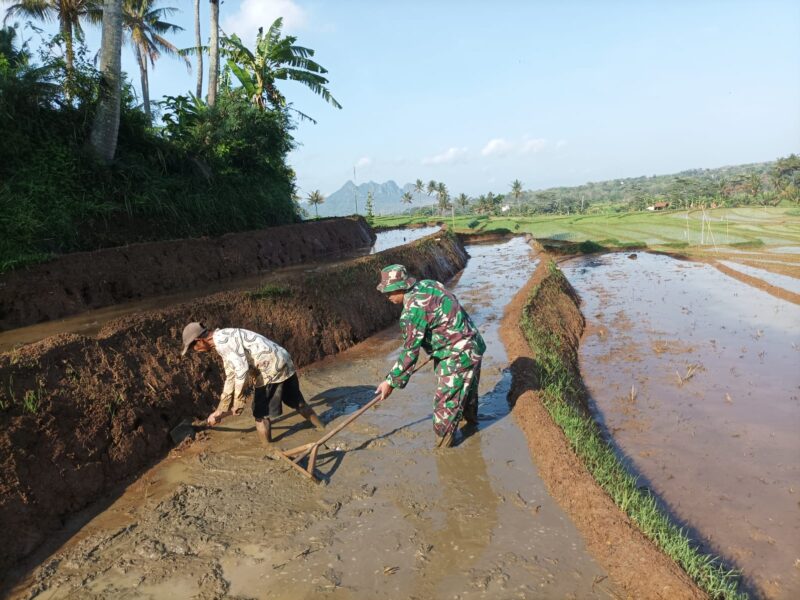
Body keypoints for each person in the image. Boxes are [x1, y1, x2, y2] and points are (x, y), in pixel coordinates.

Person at [374, 264, 485, 448]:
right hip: (473, 345)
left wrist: (390, 382)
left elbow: (410, 353)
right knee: (467, 400)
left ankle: (445, 454)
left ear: (401, 287)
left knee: (444, 414)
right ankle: (473, 434)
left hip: (457, 357)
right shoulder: (429, 284)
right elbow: (447, 311)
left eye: (390, 292)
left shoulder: (411, 312)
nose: (387, 296)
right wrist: (438, 345)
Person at [180, 323, 324, 446]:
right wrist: (221, 409)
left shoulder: (223, 343)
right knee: (297, 402)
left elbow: (241, 371)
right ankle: (322, 428)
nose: (196, 351)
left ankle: (268, 448)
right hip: (283, 360)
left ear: (199, 340)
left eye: (193, 347)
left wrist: (238, 402)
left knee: (260, 414)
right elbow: (231, 375)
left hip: (269, 368)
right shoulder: (224, 336)